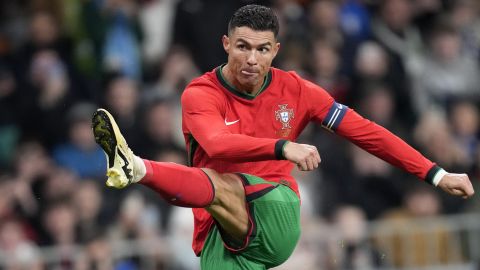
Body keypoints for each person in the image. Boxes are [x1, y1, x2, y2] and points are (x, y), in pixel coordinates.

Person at [91, 5, 474, 270]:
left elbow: (368, 133)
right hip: (222, 230)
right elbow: (217, 145)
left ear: (275, 50)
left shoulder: (300, 92)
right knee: (218, 184)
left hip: (277, 210)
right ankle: (137, 168)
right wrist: (283, 145)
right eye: (242, 47)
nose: (252, 60)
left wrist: (436, 174)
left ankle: (137, 167)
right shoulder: (199, 93)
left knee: (218, 182)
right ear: (227, 45)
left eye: (262, 50)